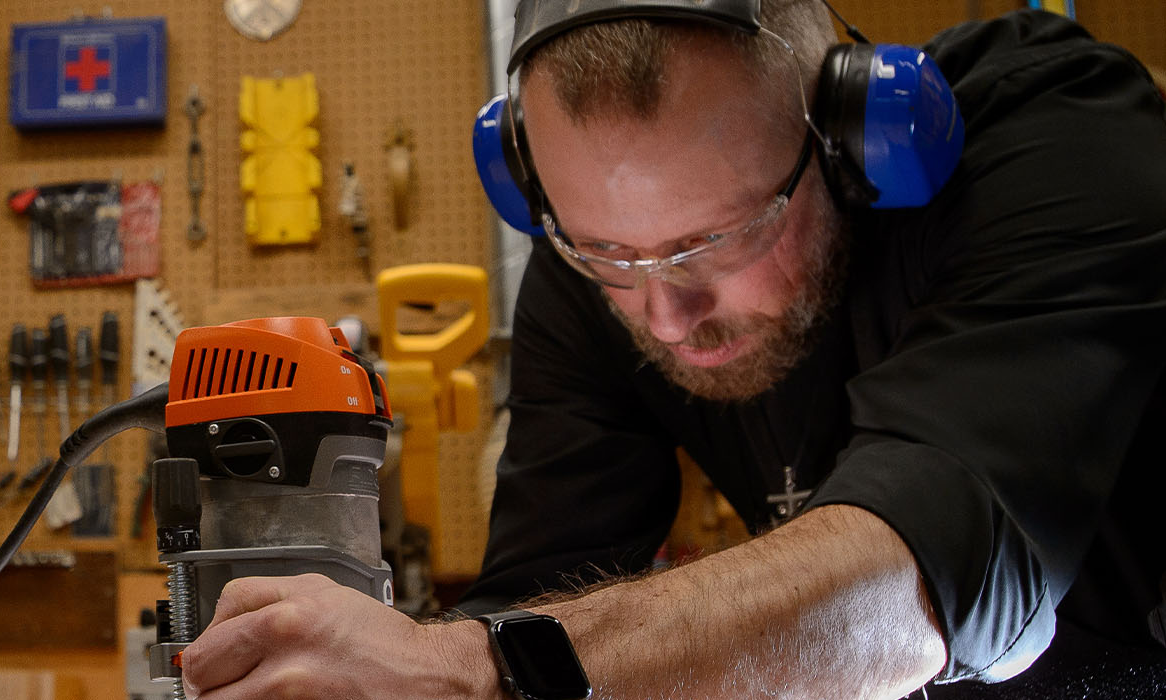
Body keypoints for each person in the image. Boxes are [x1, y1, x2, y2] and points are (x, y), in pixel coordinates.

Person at [179, 2, 1166, 698]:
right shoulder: (590, 268)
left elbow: (921, 581)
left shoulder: (1053, 136)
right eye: (607, 251)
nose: (662, 312)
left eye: (720, 240)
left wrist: (471, 670)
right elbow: (538, 596)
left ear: (852, 138)